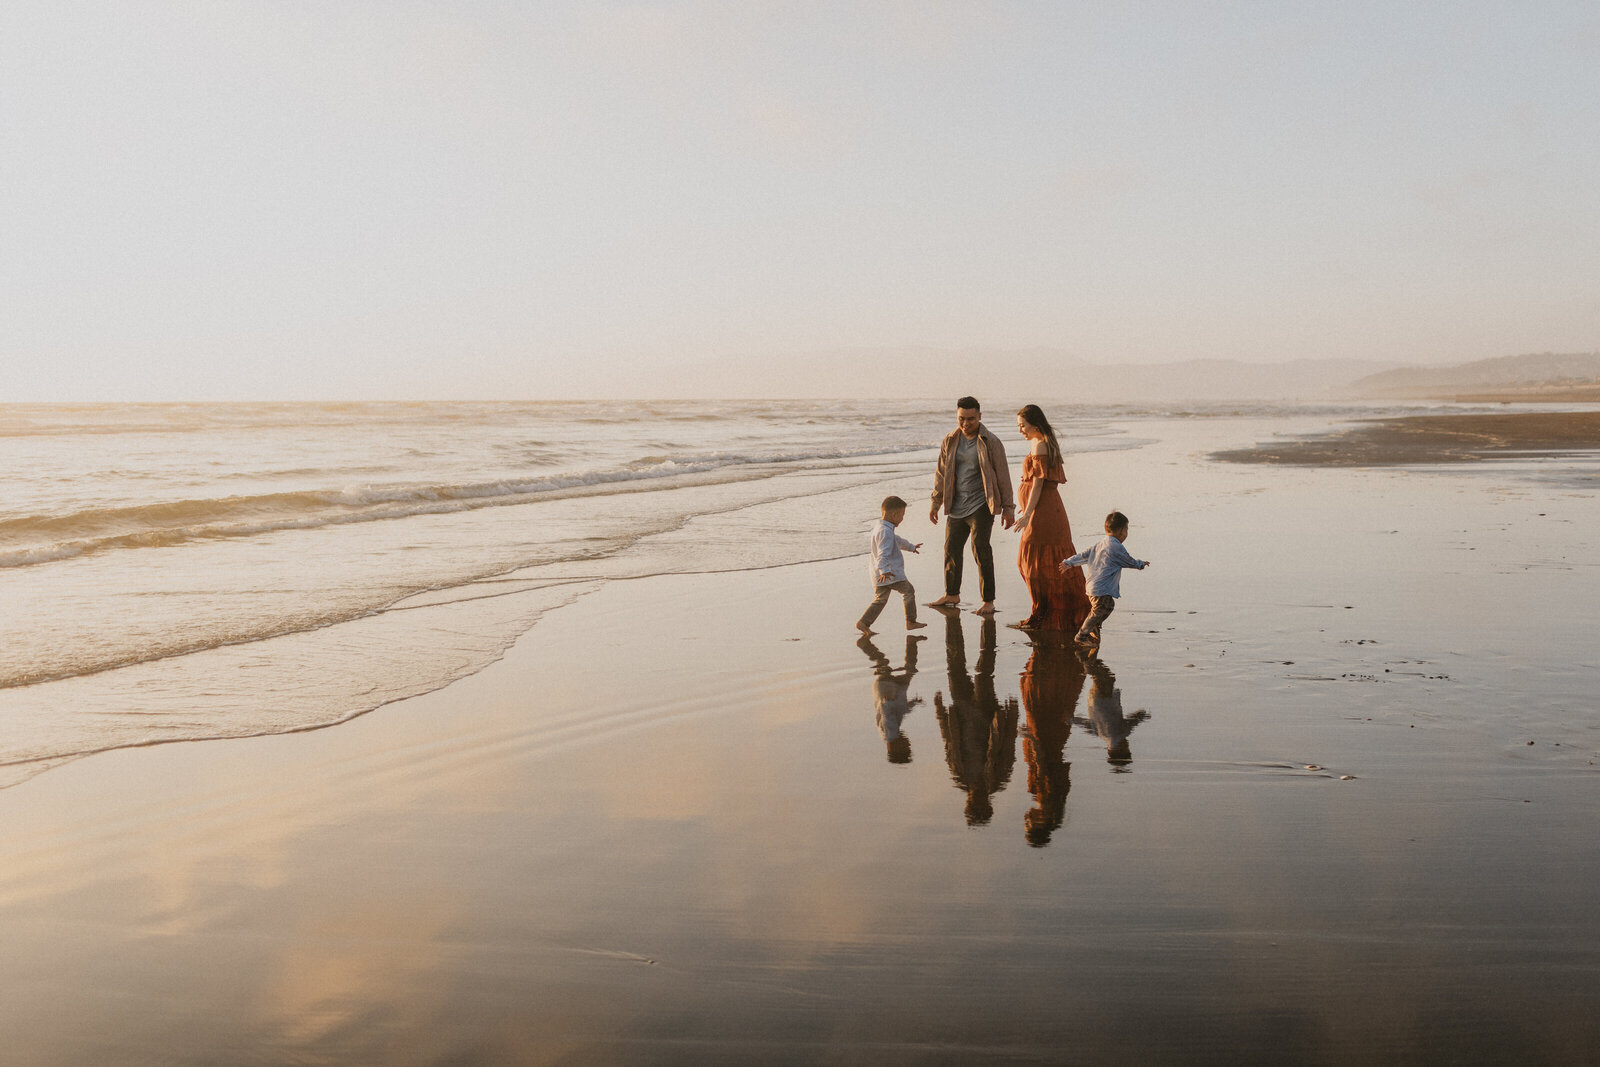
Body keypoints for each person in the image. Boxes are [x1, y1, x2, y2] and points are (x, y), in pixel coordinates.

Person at [928, 397, 1015, 616]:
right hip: (956, 504)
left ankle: (988, 600)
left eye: (971, 419)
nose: (966, 423)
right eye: (961, 419)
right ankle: (952, 594)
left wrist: (1008, 507)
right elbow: (941, 473)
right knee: (951, 549)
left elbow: (1003, 475)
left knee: (980, 548)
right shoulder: (950, 440)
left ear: (979, 417)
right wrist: (935, 502)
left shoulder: (991, 441)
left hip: (982, 504)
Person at [1012, 404, 1091, 633]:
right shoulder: (1039, 442)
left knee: (1035, 564)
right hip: (1043, 509)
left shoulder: (1041, 444)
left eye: (1022, 426)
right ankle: (1045, 611)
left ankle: (1050, 614)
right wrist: (1026, 507)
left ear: (1035, 424)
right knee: (1032, 563)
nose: (1020, 430)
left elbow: (1038, 482)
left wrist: (1028, 513)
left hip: (1045, 512)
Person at [1059, 511, 1150, 651]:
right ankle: (1082, 635)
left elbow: (1083, 555)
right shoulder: (1116, 547)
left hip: (1092, 587)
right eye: (1126, 530)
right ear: (1120, 531)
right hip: (1101, 588)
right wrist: (1141, 564)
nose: (1126, 533)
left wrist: (1069, 562)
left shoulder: (1100, 544)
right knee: (1100, 609)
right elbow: (1128, 561)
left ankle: (1093, 625)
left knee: (1108, 606)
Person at [857, 495, 927, 635]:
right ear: (894, 515)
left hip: (878, 574)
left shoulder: (881, 528)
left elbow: (898, 541)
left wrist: (911, 547)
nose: (902, 518)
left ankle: (863, 623)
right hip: (890, 573)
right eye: (902, 515)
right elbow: (883, 553)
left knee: (880, 600)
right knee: (908, 591)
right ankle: (911, 621)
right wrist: (884, 570)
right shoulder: (885, 532)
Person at [858, 633, 923, 764]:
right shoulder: (890, 734)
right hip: (893, 690)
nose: (909, 743)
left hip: (888, 689)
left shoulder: (891, 733)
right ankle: (912, 642)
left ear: (897, 748)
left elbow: (887, 714)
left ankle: (864, 644)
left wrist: (888, 701)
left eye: (907, 747)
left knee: (885, 663)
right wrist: (913, 704)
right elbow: (900, 712)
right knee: (909, 669)